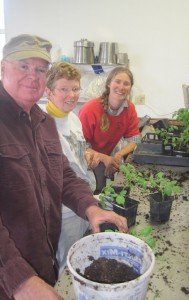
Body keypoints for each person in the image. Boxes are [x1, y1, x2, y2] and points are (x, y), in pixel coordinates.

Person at [0, 34, 128, 300]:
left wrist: (90, 207)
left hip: (42, 262)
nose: (33, 75)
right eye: (24, 66)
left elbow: (63, 175)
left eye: (40, 69)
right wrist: (20, 281)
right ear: (3, 68)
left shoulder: (44, 123)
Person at [44, 61, 100, 276]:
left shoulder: (73, 118)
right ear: (48, 91)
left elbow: (77, 149)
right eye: (63, 89)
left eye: (75, 88)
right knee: (64, 267)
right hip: (63, 211)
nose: (72, 95)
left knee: (77, 258)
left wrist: (86, 155)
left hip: (82, 202)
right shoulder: (42, 126)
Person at [78, 66, 142, 192]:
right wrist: (104, 158)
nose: (121, 87)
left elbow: (134, 139)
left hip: (107, 156)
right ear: (108, 84)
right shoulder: (90, 109)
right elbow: (79, 146)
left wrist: (118, 155)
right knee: (90, 193)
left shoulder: (129, 109)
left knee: (106, 192)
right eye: (117, 81)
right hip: (86, 161)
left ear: (130, 88)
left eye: (126, 84)